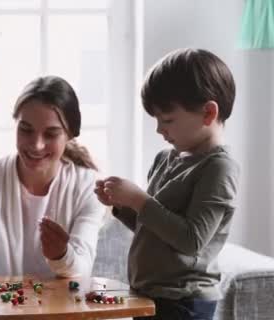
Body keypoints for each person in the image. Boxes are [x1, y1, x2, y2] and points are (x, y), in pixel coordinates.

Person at [94, 48, 239, 320]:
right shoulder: (166, 159)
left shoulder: (219, 168)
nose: (160, 129)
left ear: (208, 113)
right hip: (151, 293)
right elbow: (154, 227)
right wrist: (121, 206)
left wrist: (138, 199)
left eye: (168, 120)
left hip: (184, 301)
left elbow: (191, 240)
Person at [0, 76, 105, 289]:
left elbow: (81, 268)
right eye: (26, 129)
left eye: (50, 134)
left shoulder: (88, 186)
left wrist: (61, 254)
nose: (37, 145)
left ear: (70, 134)